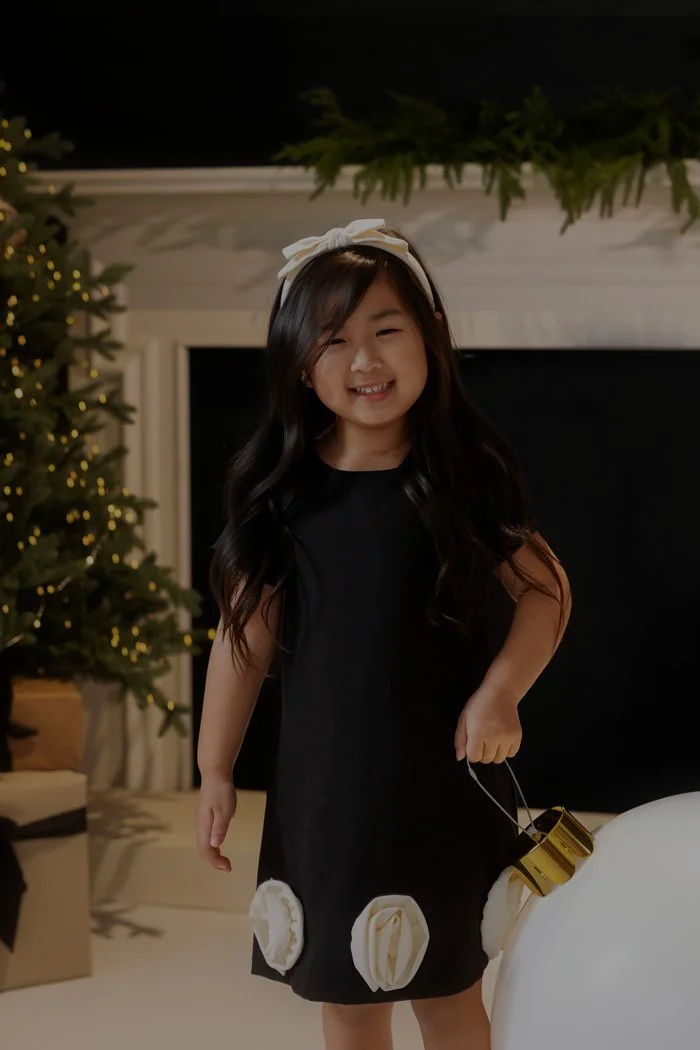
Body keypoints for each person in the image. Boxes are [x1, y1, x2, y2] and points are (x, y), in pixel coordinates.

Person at [195, 218, 571, 1050]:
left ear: (430, 340)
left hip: (438, 788)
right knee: (348, 996)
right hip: (327, 796)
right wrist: (215, 766)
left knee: (447, 991)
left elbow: (546, 593)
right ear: (301, 361)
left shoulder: (458, 483)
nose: (364, 361)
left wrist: (500, 690)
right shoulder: (285, 500)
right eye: (334, 341)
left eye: (386, 331)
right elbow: (243, 640)